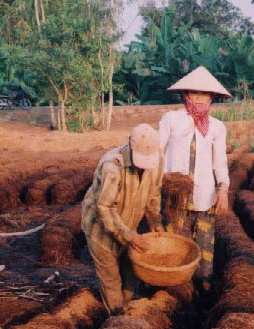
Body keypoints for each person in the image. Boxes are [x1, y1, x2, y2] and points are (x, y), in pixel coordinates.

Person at [158, 66, 231, 294]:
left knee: (204, 242)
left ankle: (204, 286)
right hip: (174, 194)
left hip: (204, 194)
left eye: (205, 94)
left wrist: (223, 189)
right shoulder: (171, 119)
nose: (199, 98)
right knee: (175, 242)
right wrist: (157, 184)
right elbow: (158, 153)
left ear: (212, 97)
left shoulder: (217, 127)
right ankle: (176, 288)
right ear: (185, 95)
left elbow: (219, 162)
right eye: (194, 93)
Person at [82, 124, 165, 314]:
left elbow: (154, 193)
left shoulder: (157, 159)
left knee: (130, 272)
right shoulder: (113, 166)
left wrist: (154, 220)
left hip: (129, 224)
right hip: (100, 228)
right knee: (111, 278)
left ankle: (126, 306)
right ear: (129, 145)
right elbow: (105, 207)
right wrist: (129, 235)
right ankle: (116, 317)